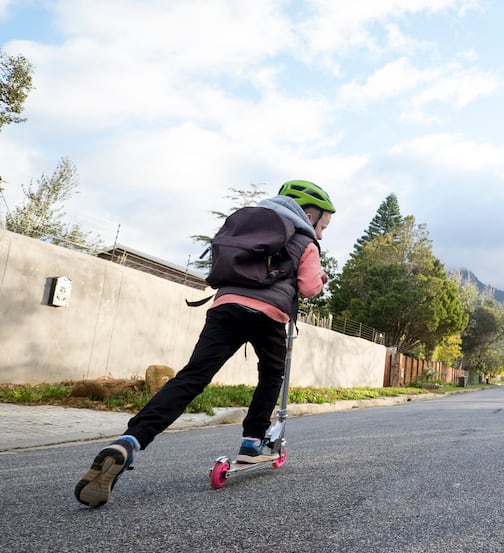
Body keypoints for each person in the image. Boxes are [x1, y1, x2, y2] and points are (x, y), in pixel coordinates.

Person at [75, 180, 336, 508]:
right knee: (271, 374)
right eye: (323, 225)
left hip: (225, 306)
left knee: (192, 377)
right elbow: (309, 288)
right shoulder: (304, 238)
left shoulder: (247, 223)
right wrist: (319, 277)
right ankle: (253, 441)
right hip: (269, 315)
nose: (322, 234)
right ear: (309, 214)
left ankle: (130, 441)